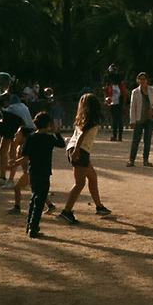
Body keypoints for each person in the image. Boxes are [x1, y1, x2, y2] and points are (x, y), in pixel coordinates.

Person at [59, 93, 111, 223]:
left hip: (75, 149)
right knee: (80, 183)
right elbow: (82, 136)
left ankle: (99, 206)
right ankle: (66, 211)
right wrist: (76, 151)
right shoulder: (91, 121)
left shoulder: (82, 119)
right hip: (80, 151)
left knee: (92, 177)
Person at [6, 112, 62, 233]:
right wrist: (56, 132)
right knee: (40, 200)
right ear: (48, 124)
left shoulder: (30, 137)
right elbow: (62, 144)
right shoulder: (49, 138)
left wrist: (14, 164)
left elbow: (26, 157)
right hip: (44, 172)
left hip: (32, 171)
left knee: (34, 197)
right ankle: (33, 226)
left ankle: (29, 224)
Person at [126, 72, 153, 167]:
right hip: (139, 118)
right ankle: (132, 160)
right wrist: (132, 121)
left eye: (144, 79)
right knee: (136, 140)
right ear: (138, 80)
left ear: (147, 80)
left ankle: (145, 160)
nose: (142, 81)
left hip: (149, 118)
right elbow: (132, 107)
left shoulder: (152, 90)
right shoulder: (135, 92)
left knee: (147, 140)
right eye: (140, 79)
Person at [104, 74, 127, 142]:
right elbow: (107, 95)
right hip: (112, 105)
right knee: (114, 121)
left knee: (120, 121)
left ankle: (120, 136)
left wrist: (123, 105)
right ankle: (114, 135)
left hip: (119, 105)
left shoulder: (121, 86)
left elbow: (124, 95)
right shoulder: (110, 86)